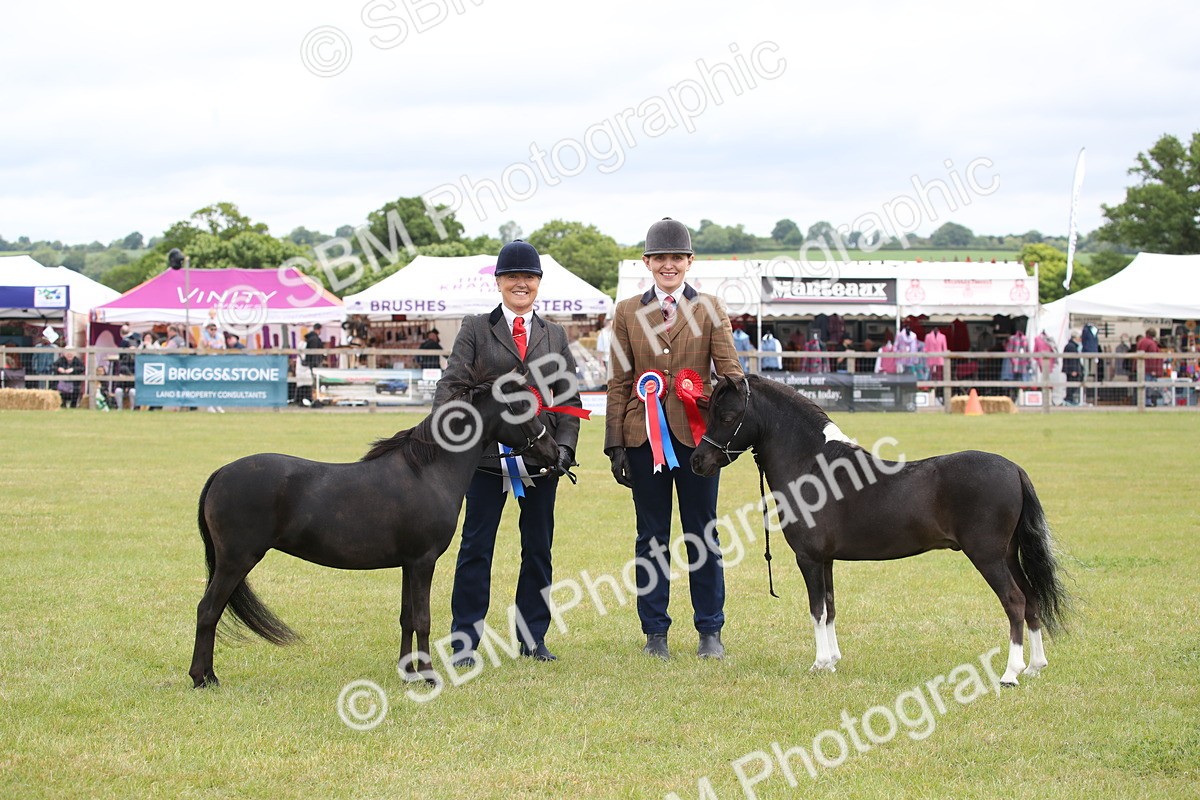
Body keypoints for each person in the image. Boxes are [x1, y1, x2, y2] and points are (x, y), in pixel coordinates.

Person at [436, 240, 581, 666]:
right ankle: (465, 640)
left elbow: (569, 397)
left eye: (529, 277)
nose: (522, 283)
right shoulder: (476, 328)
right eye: (512, 276)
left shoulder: (554, 334)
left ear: (538, 283)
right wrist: (445, 432)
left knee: (538, 547)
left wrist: (566, 448)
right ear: (499, 282)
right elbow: (452, 385)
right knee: (476, 546)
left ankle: (532, 636)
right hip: (485, 460)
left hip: (542, 455)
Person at [605, 217, 743, 661]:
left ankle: (710, 629)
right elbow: (620, 381)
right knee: (651, 536)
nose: (668, 265)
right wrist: (615, 445)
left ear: (689, 261)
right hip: (642, 438)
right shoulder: (627, 311)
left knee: (702, 532)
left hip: (697, 439)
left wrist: (724, 436)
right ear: (647, 262)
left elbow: (732, 377)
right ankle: (655, 632)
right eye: (660, 258)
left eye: (676, 258)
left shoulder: (710, 307)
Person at [1137, 328, 1164, 406]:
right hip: (1149, 368)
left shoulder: (1141, 341)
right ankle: (1147, 402)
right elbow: (1152, 356)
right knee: (1149, 387)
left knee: (1143, 386)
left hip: (1141, 368)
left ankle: (1143, 402)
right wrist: (1153, 369)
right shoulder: (1151, 343)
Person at [1063, 332, 1082, 405]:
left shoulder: (1072, 346)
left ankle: (1069, 399)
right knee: (1072, 385)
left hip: (1071, 369)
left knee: (1072, 384)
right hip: (1072, 370)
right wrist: (1074, 370)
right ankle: (1069, 399)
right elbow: (1072, 360)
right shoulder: (1071, 346)